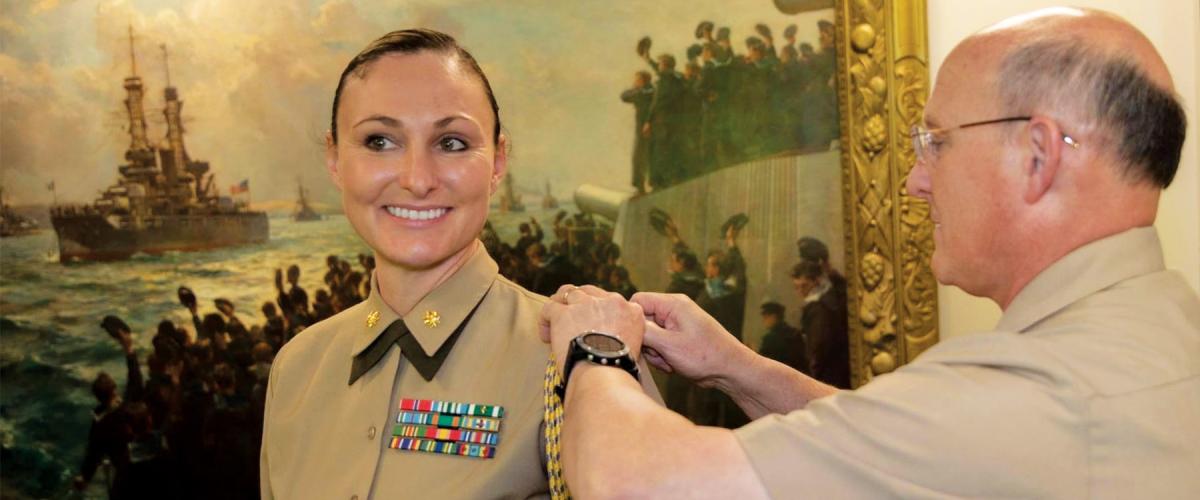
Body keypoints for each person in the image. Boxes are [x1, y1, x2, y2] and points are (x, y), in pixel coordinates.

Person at [538, 8, 1198, 497]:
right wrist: (736, 368)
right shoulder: (1157, 328)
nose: (914, 180)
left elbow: (634, 484)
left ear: (1038, 155)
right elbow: (903, 447)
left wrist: (594, 346)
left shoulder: (1041, 391)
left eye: (936, 142)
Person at [259, 28, 655, 499]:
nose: (417, 180)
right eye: (379, 141)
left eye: (451, 143)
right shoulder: (297, 370)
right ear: (334, 159)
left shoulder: (575, 360)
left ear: (498, 162)